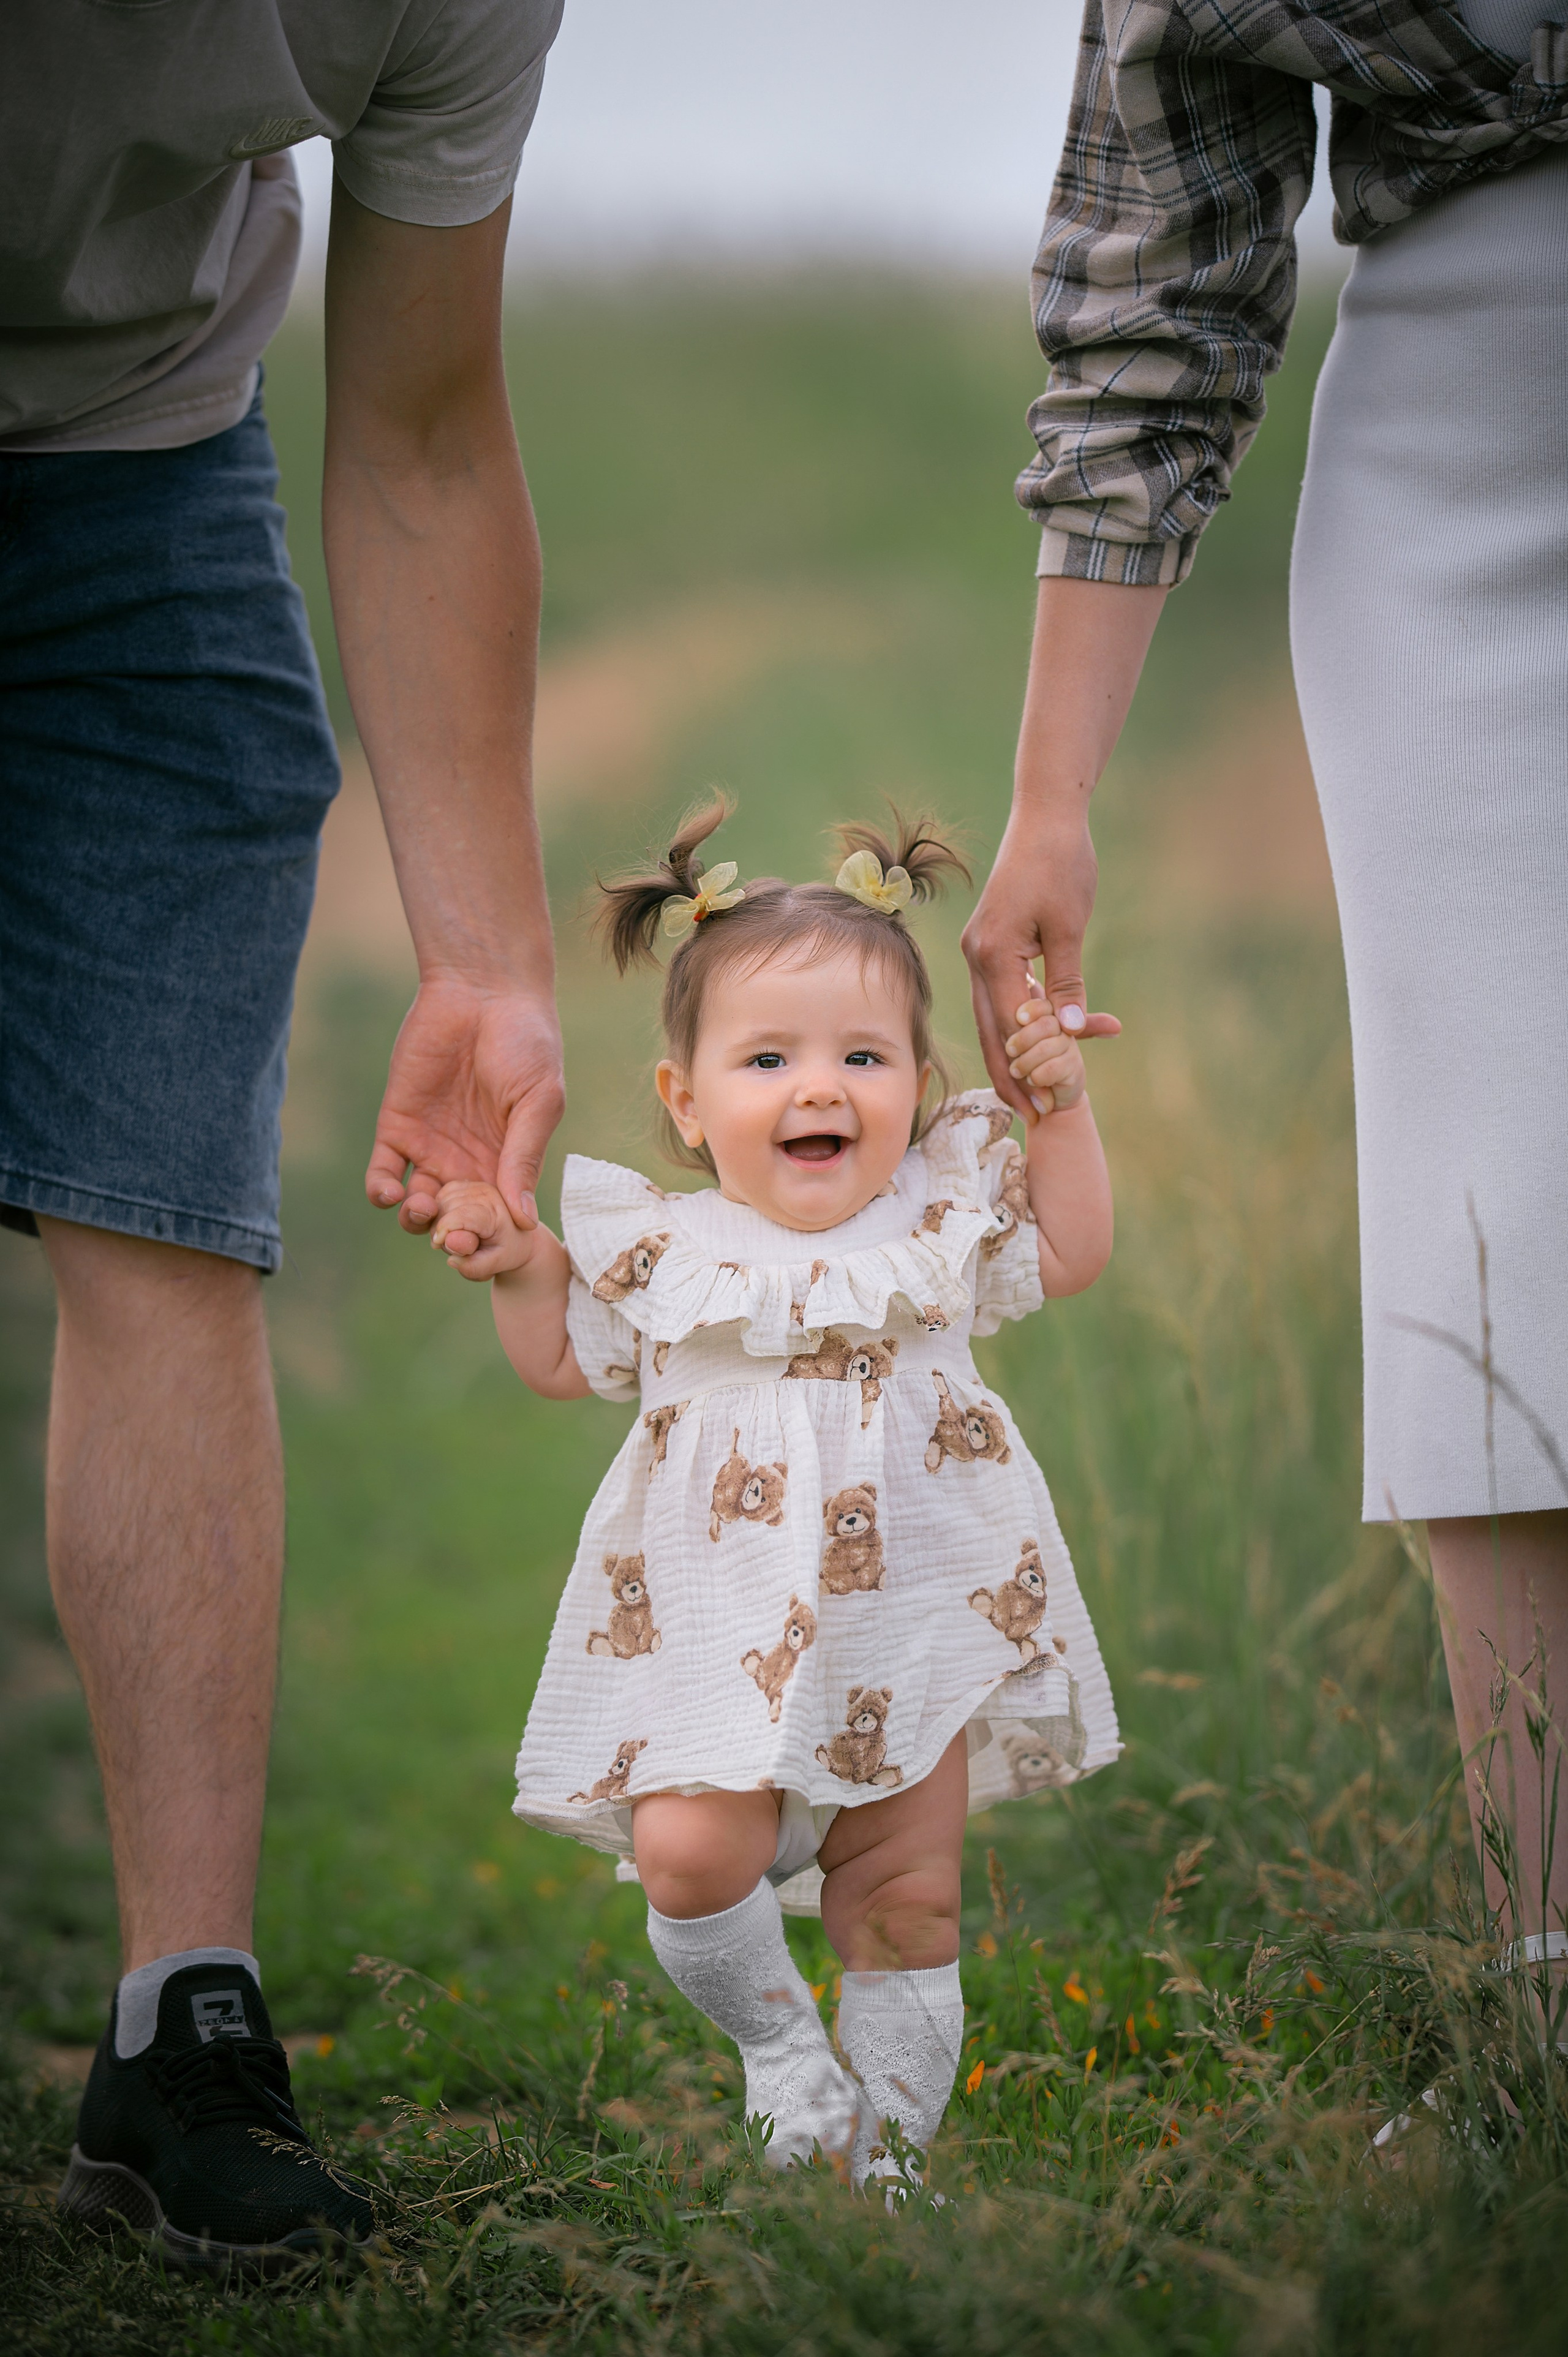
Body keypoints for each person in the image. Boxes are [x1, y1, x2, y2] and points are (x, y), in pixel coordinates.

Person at [2, 1, 568, 2268]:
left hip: (145, 470)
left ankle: (182, 2026)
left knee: (170, 1211)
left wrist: (489, 958)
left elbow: (424, 430)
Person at [962, 0, 1568, 1978]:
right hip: (1471, 431)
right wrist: (1051, 799)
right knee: (1493, 1208)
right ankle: (1545, 1974)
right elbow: (1166, 248)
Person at [427, 802, 1121, 2192]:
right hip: (715, 1637)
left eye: (861, 1055)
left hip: (913, 1630)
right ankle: (783, 2060)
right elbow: (569, 1359)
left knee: (907, 1902)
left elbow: (1072, 1247)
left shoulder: (932, 1218)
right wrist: (516, 1268)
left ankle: (889, 2171)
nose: (820, 1086)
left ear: (913, 1082)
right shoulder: (667, 1247)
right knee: (686, 1854)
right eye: (767, 1057)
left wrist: (1059, 1105)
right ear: (688, 1099)